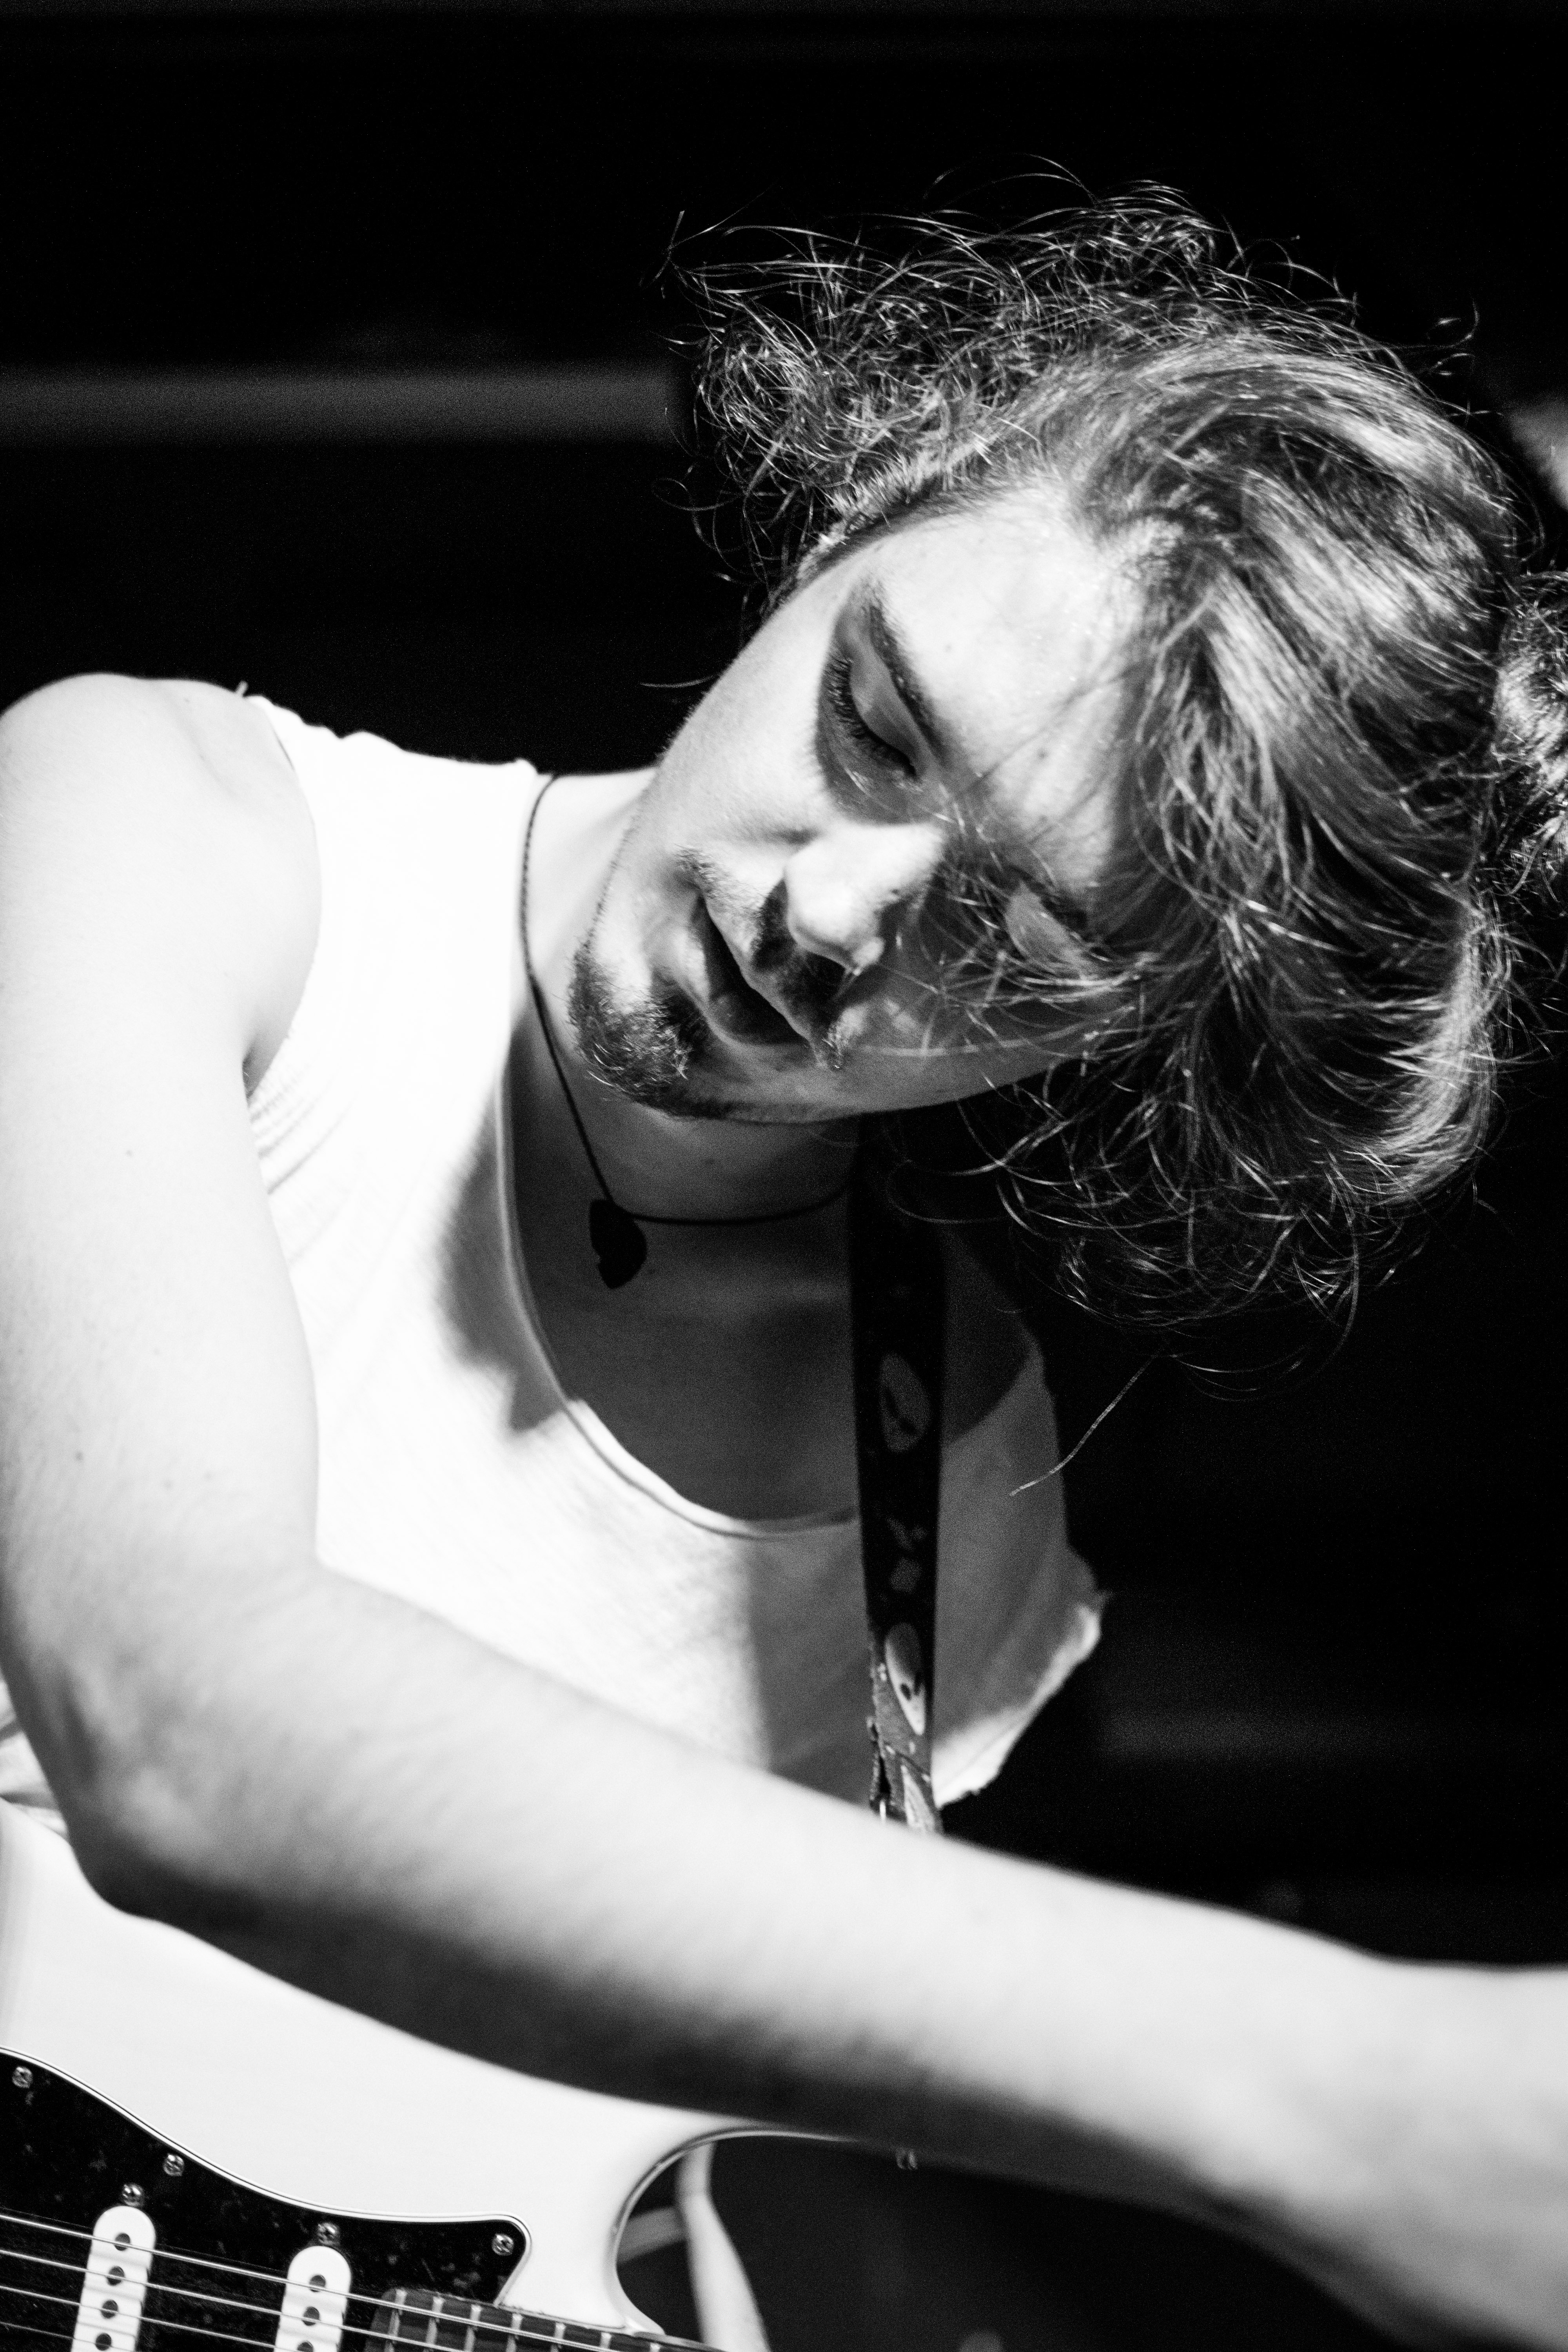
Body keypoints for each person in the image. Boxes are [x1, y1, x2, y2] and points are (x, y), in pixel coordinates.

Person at [1, 199, 1565, 2345]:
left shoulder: (956, 1471)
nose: (835, 917)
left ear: (1144, 1027)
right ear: (851, 517)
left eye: (1014, 929)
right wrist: (1359, 2099)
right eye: (878, 726)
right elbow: (170, 1712)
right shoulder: (161, 832)